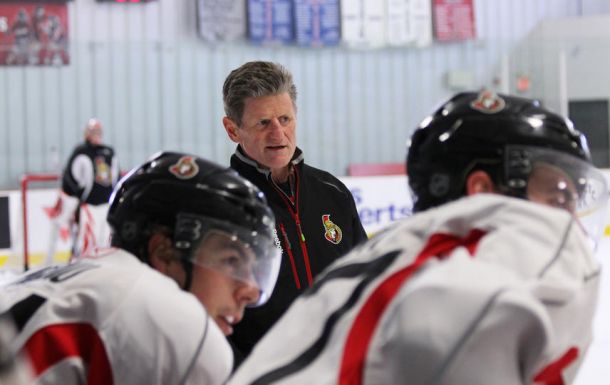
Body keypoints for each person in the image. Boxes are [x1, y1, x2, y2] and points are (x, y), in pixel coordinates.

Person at [228, 91, 609, 385]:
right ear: (482, 190)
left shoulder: (407, 253)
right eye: (558, 197)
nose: (568, 219)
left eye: (285, 118)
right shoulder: (455, 298)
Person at [0, 151, 281, 384]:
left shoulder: (81, 278)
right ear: (163, 252)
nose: (251, 291)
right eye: (231, 260)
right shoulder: (171, 320)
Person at [222, 60, 368, 360]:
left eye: (285, 119)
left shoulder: (333, 192)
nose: (278, 133)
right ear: (232, 130)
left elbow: (366, 280)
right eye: (263, 123)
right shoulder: (221, 204)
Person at [51, 118, 119, 261]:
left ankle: (104, 266)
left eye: (98, 131)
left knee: (106, 238)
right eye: (93, 131)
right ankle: (82, 265)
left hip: (106, 205)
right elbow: (69, 175)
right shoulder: (81, 151)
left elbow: (115, 176)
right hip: (88, 206)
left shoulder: (109, 152)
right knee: (86, 240)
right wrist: (77, 194)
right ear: (87, 133)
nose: (96, 134)